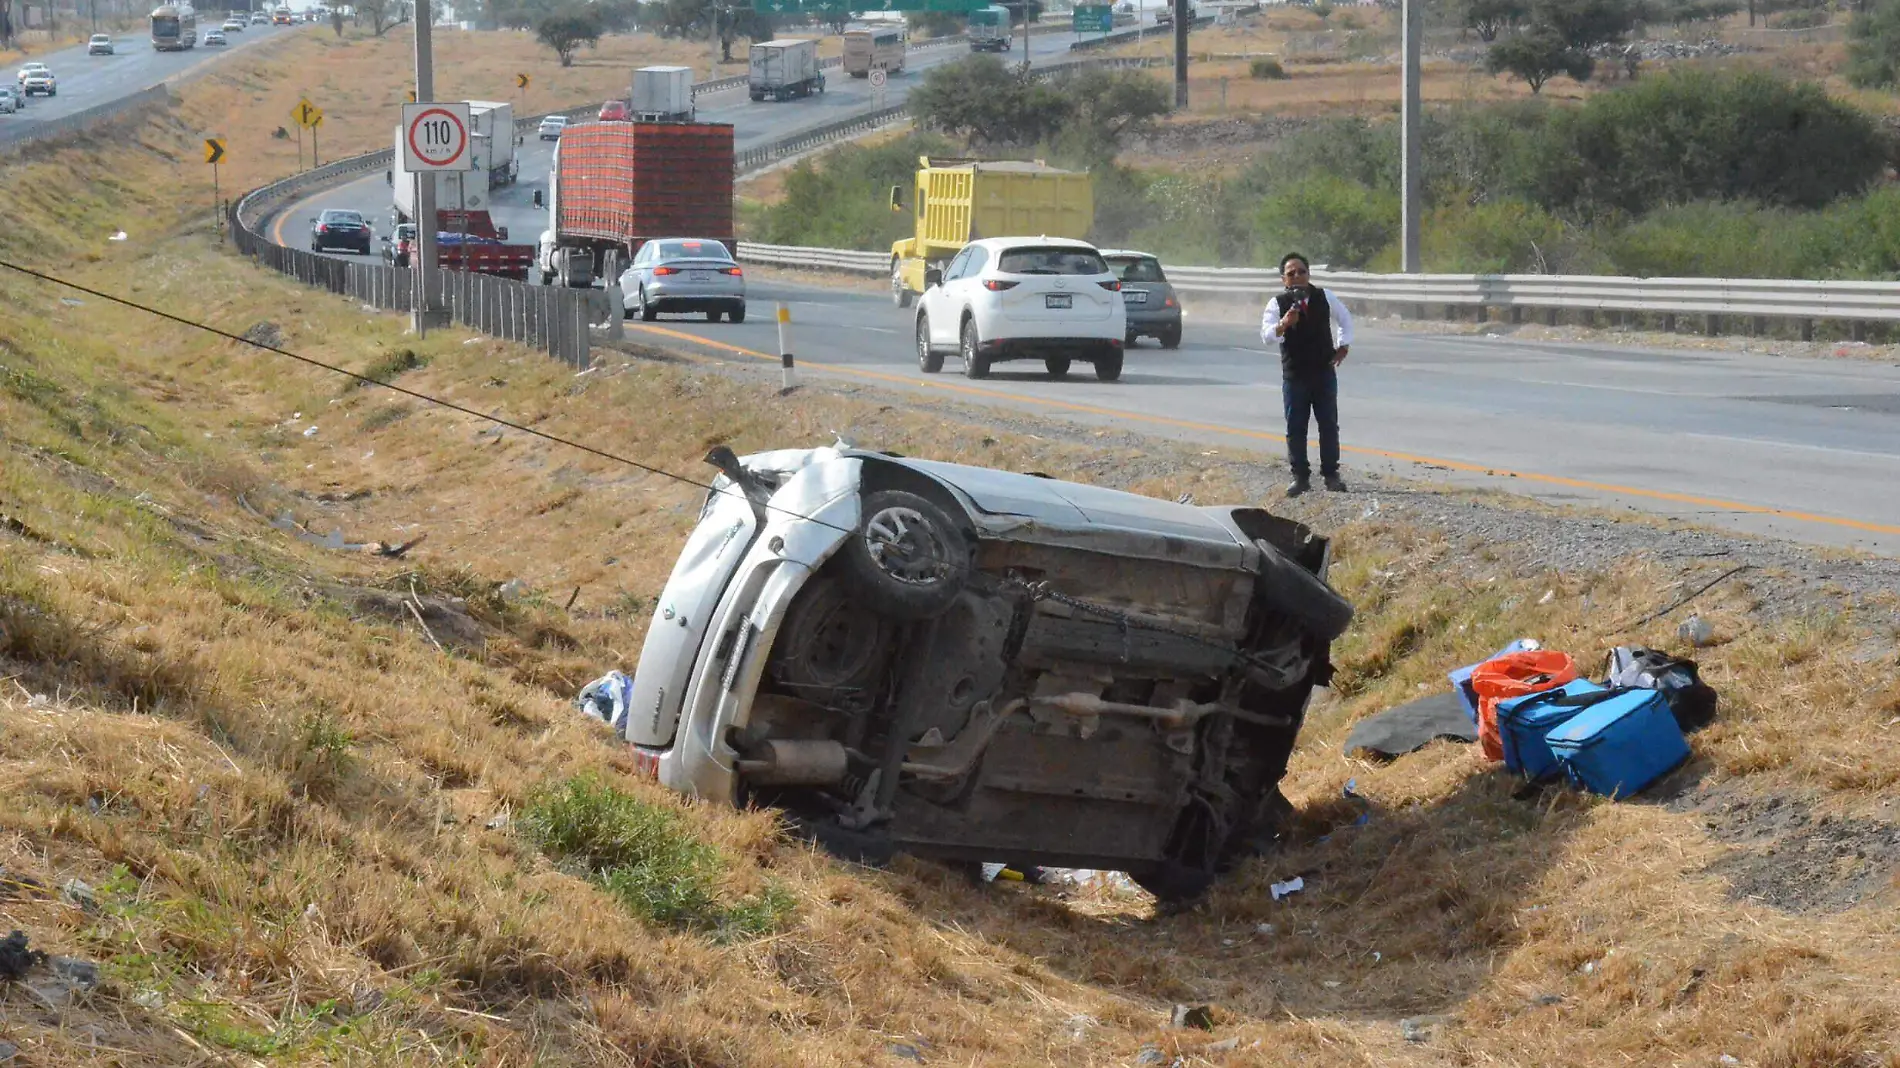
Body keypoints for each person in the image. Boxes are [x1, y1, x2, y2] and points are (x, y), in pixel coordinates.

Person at [1260, 252, 1352, 496]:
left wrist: (1343, 345)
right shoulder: (1277, 303)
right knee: (1296, 426)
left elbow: (1345, 319)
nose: (1298, 276)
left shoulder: (1325, 297)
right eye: (1292, 273)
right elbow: (1267, 336)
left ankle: (1331, 474)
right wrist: (1283, 324)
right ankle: (1300, 477)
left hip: (1323, 372)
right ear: (1284, 280)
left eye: (1302, 271)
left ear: (1309, 274)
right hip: (1295, 375)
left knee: (1328, 424)